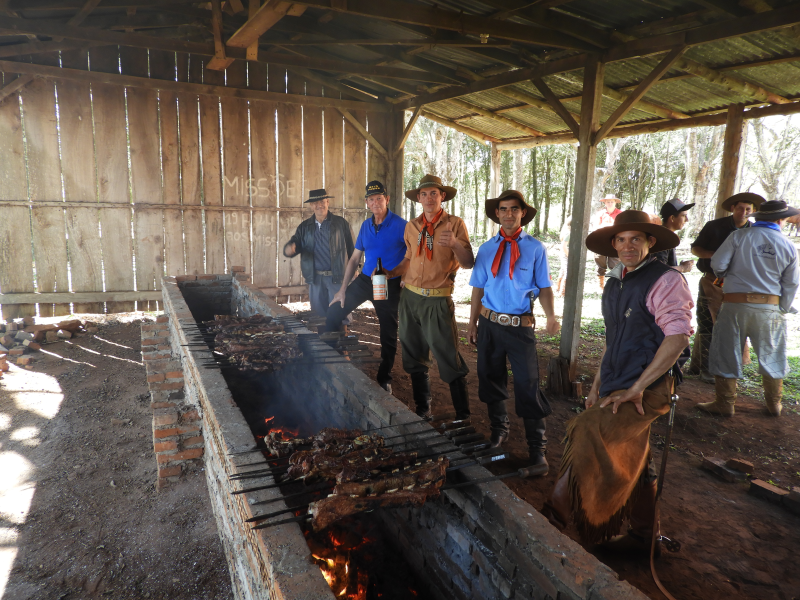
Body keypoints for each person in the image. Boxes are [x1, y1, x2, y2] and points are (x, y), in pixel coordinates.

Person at [542, 210, 693, 557]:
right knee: (636, 456)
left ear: (650, 242)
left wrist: (638, 387)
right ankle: (645, 537)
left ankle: (550, 523)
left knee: (586, 429)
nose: (628, 246)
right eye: (621, 240)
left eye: (635, 239)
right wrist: (598, 384)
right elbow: (614, 340)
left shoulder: (667, 280)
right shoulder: (615, 282)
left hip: (648, 389)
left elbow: (678, 339)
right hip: (616, 383)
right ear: (613, 245)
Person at [467, 190, 560, 473]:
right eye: (503, 209)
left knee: (527, 384)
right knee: (489, 376)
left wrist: (551, 316)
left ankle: (537, 449)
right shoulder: (486, 249)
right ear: (497, 213)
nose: (508, 214)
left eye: (514, 209)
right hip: (490, 325)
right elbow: (478, 288)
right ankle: (499, 431)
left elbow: (544, 287)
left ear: (522, 213)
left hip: (520, 328)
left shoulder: (535, 248)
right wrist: (472, 323)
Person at [696, 200, 800, 417]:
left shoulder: (738, 236)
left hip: (735, 304)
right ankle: (774, 404)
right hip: (769, 307)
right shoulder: (788, 245)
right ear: (780, 221)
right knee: (772, 352)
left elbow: (718, 264)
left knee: (726, 351)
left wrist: (728, 274)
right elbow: (791, 283)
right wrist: (782, 307)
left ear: (758, 218)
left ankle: (725, 403)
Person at [392, 174, 474, 421]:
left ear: (442, 196)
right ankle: (423, 408)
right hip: (410, 299)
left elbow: (469, 262)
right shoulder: (411, 226)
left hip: (437, 300)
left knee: (448, 356)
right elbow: (409, 258)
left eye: (434, 194)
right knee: (413, 355)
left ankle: (463, 417)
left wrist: (456, 244)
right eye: (424, 194)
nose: (429, 198)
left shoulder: (455, 224)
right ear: (419, 198)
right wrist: (390, 273)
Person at [327, 181, 408, 393]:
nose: (375, 203)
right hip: (365, 281)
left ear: (387, 199)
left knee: (388, 332)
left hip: (388, 283)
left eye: (379, 198)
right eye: (371, 199)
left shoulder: (402, 225)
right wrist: (343, 289)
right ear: (366, 202)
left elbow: (413, 256)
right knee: (334, 311)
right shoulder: (365, 225)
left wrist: (404, 276)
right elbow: (354, 259)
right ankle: (332, 359)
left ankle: (384, 378)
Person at [689, 193, 763, 382]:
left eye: (748, 209)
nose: (744, 212)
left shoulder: (755, 232)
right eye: (740, 208)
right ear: (732, 208)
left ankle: (729, 368)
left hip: (739, 285)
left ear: (753, 211)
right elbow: (695, 249)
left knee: (734, 327)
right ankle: (703, 367)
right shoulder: (714, 226)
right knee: (707, 323)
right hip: (711, 281)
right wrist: (717, 255)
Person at [283, 188, 354, 327]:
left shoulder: (341, 224)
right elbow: (292, 245)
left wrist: (356, 269)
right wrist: (289, 249)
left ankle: (343, 342)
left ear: (327, 202)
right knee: (318, 315)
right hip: (315, 278)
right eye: (315, 202)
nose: (319, 205)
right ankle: (324, 341)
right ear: (311, 205)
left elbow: (353, 248)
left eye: (322, 201)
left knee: (340, 311)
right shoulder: (304, 227)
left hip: (337, 277)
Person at [652, 198, 695, 273]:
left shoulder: (666, 235)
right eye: (683, 216)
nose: (687, 220)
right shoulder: (663, 237)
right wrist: (682, 268)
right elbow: (659, 270)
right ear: (672, 218)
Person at [591, 194, 623, 291]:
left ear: (615, 203)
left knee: (615, 263)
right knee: (600, 262)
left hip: (615, 241)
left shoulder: (620, 214)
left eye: (611, 202)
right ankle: (600, 285)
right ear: (605, 202)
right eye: (608, 202)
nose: (610, 203)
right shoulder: (600, 214)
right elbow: (596, 227)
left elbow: (622, 227)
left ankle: (614, 285)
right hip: (602, 240)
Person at [555, 217, 571, 297]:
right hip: (565, 254)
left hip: (564, 253)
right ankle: (562, 292)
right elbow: (564, 246)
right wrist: (569, 256)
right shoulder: (569, 233)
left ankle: (558, 288)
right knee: (567, 272)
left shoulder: (567, 231)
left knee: (563, 271)